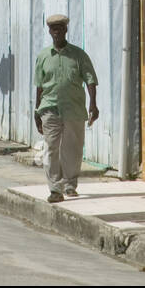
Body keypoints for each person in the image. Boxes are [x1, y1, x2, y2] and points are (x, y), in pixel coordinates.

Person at [34, 13, 98, 203]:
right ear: (49, 31)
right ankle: (55, 189)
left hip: (74, 109)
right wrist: (37, 111)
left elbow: (90, 79)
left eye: (60, 29)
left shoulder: (78, 55)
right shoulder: (44, 56)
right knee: (51, 148)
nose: (57, 32)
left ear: (66, 30)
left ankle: (70, 184)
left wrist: (93, 103)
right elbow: (39, 85)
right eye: (53, 29)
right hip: (49, 108)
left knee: (73, 148)